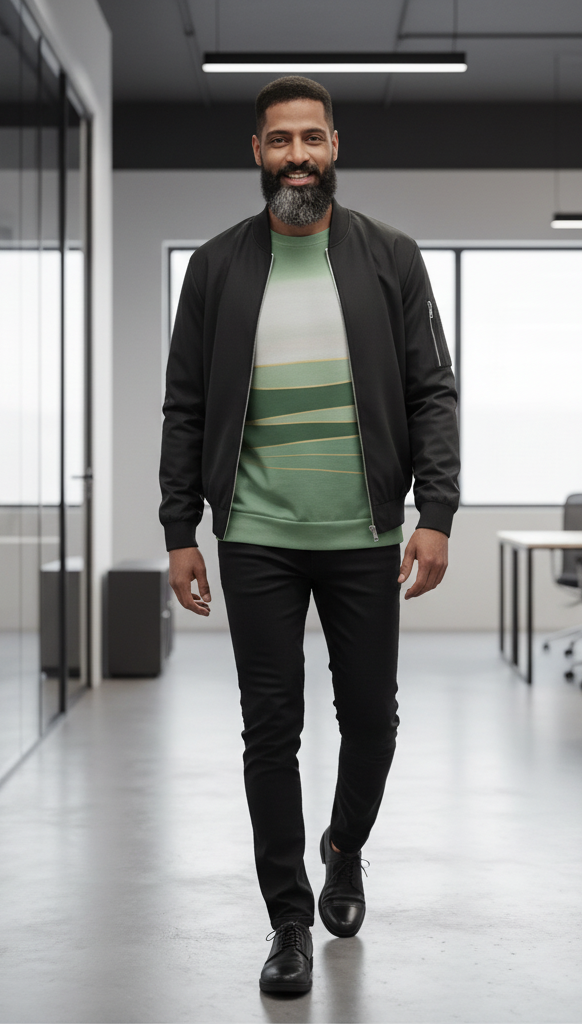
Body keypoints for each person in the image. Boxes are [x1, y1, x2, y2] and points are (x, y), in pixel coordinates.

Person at [159, 76, 460, 995]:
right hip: (255, 535)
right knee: (270, 731)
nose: (298, 155)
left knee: (371, 720)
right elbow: (185, 408)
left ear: (336, 145)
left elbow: (430, 393)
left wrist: (436, 513)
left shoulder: (389, 258)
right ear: (257, 152)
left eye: (312, 139)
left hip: (364, 531)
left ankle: (344, 846)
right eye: (280, 140)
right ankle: (288, 920)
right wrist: (181, 529)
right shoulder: (215, 268)